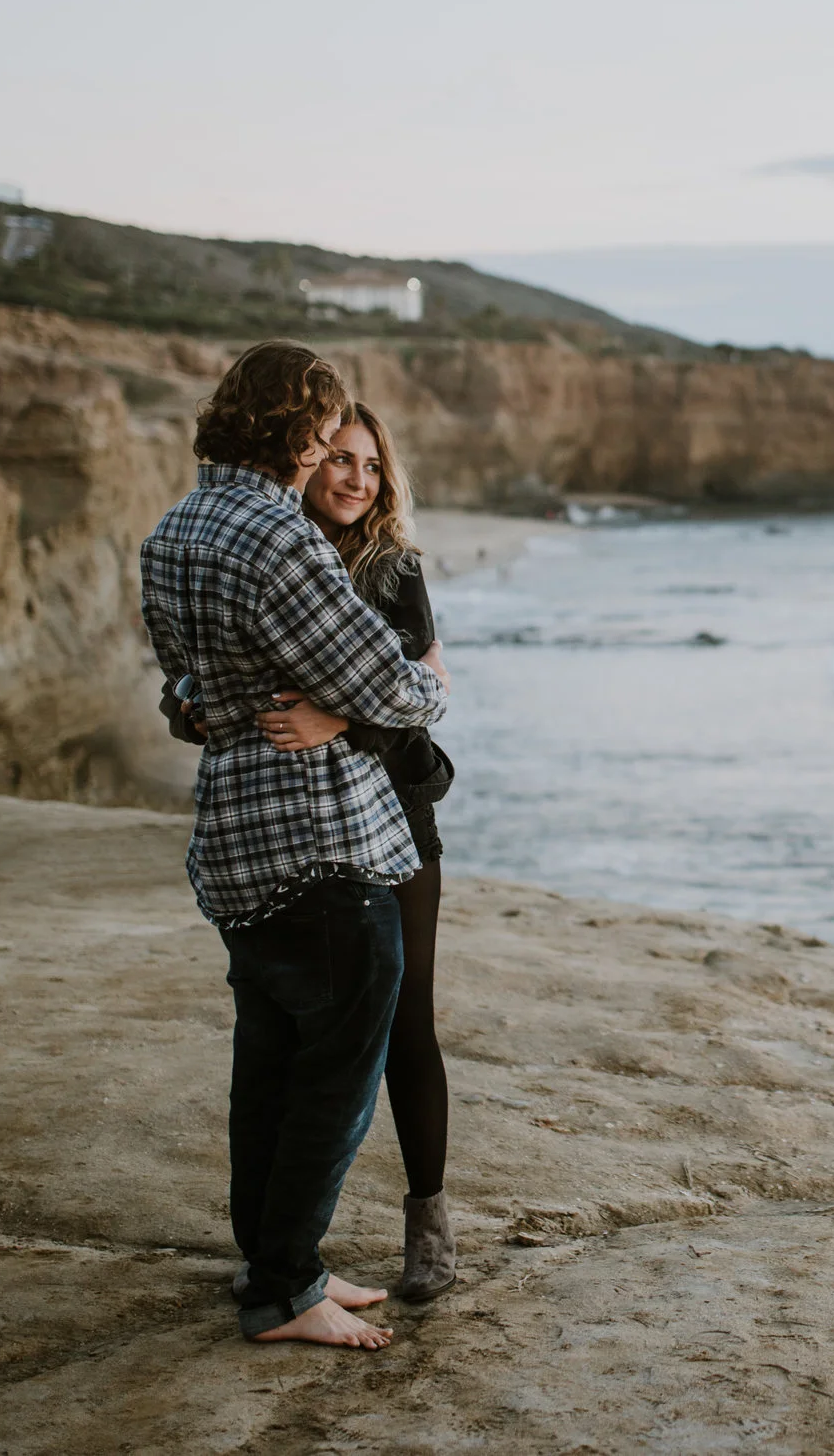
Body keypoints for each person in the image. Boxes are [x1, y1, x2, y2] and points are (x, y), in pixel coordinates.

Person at [139, 343, 447, 1351]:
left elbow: (187, 690)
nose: (330, 450)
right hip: (321, 843)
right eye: (321, 431)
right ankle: (286, 1290)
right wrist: (412, 692)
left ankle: (272, 1261)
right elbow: (396, 686)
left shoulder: (171, 532)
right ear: (298, 430)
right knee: (336, 1071)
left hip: (231, 835)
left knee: (267, 1064)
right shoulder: (280, 538)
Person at [248, 404, 459, 1302]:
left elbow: (433, 680)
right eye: (339, 459)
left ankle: (430, 1226)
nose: (356, 480)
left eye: (371, 466)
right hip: (300, 824)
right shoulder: (274, 561)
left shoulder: (392, 568)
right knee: (291, 1035)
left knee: (407, 1019)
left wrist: (340, 716)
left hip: (399, 816)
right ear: (305, 463)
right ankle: (284, 1251)